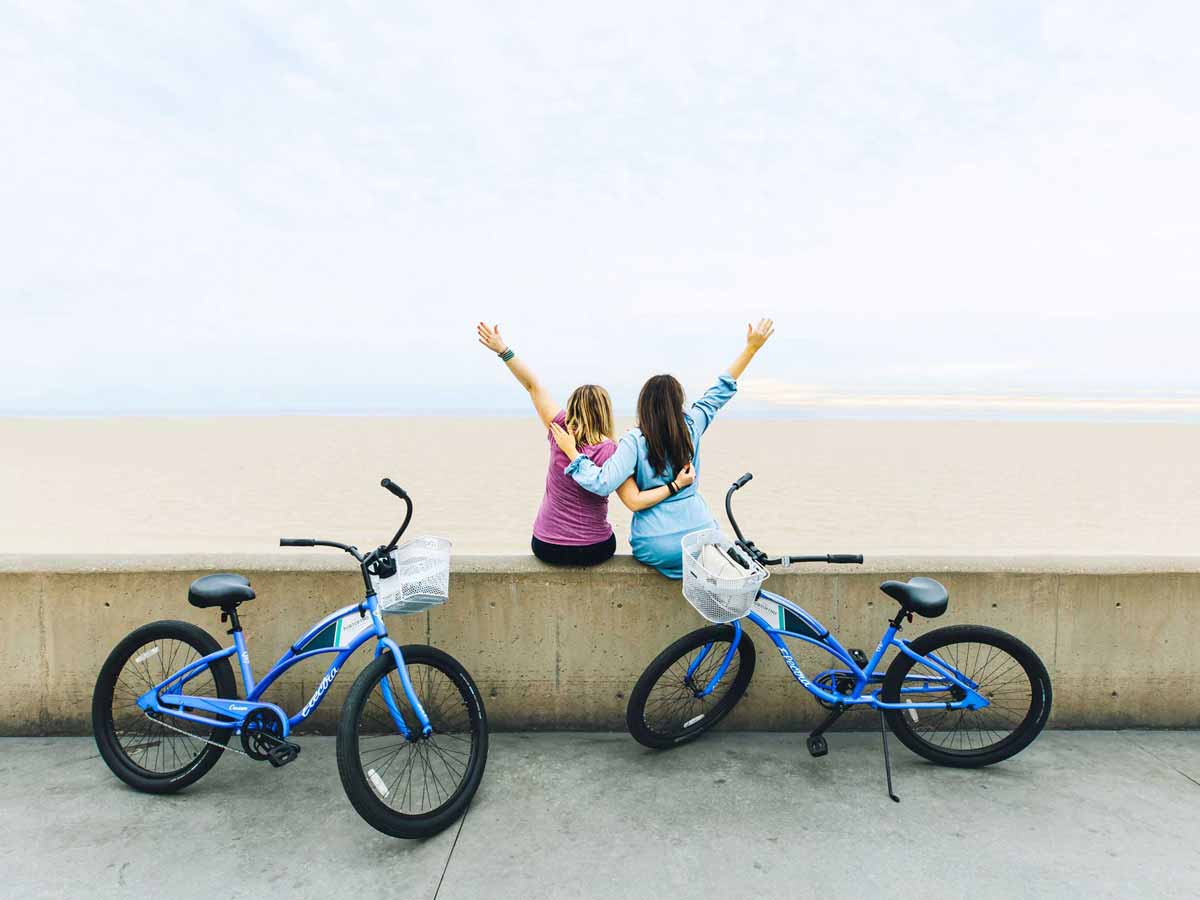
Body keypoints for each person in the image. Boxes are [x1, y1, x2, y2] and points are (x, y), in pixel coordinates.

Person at [550, 319, 774, 578]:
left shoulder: (633, 441)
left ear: (643, 405)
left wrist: (573, 453)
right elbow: (721, 390)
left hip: (655, 545)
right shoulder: (693, 424)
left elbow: (602, 482)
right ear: (679, 402)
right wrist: (751, 348)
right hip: (700, 540)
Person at [476, 322, 694, 566]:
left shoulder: (558, 429)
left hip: (547, 546)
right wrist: (676, 485)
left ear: (572, 407)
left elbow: (532, 385)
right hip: (594, 549)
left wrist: (503, 350)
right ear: (605, 411)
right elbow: (635, 500)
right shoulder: (614, 451)